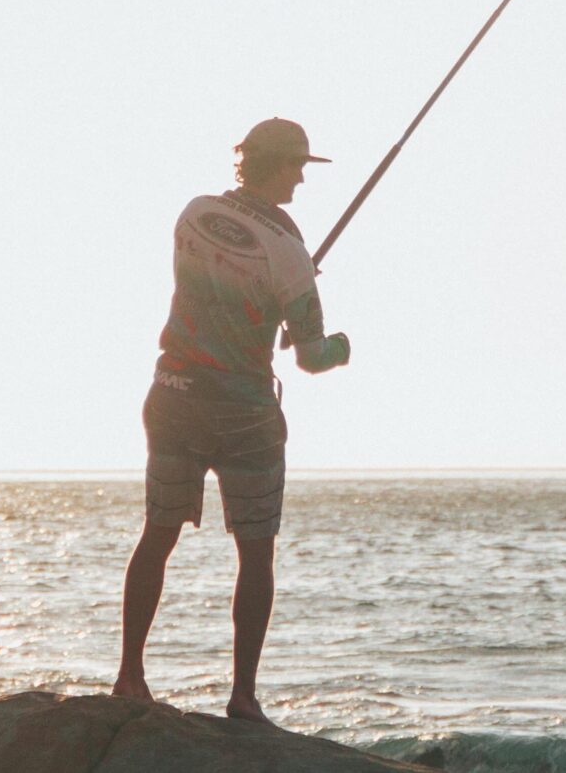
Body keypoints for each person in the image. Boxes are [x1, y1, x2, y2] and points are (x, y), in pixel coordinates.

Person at [113, 116, 348, 723]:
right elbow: (311, 357)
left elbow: (227, 277)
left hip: (173, 396)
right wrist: (340, 344)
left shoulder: (193, 213)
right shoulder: (290, 255)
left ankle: (129, 675)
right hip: (243, 416)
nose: (301, 178)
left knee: (157, 535)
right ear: (273, 163)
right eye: (297, 165)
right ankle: (243, 697)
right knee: (256, 552)